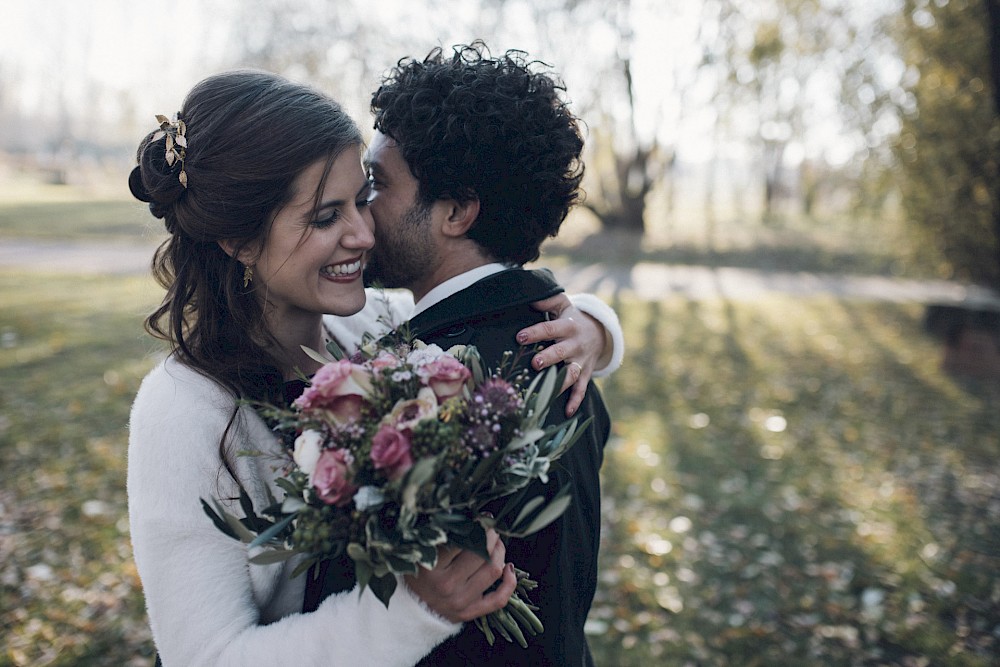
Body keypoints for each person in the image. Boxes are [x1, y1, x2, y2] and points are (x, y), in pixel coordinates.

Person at [126, 70, 622, 666]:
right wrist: (409, 611)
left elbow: (487, 303)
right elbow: (206, 657)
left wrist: (592, 325)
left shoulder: (372, 329)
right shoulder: (183, 412)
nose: (363, 233)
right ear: (237, 237)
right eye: (326, 216)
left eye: (363, 197)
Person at [359, 42, 612, 666]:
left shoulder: (433, 386)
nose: (359, 210)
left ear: (455, 210)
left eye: (377, 184)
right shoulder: (554, 346)